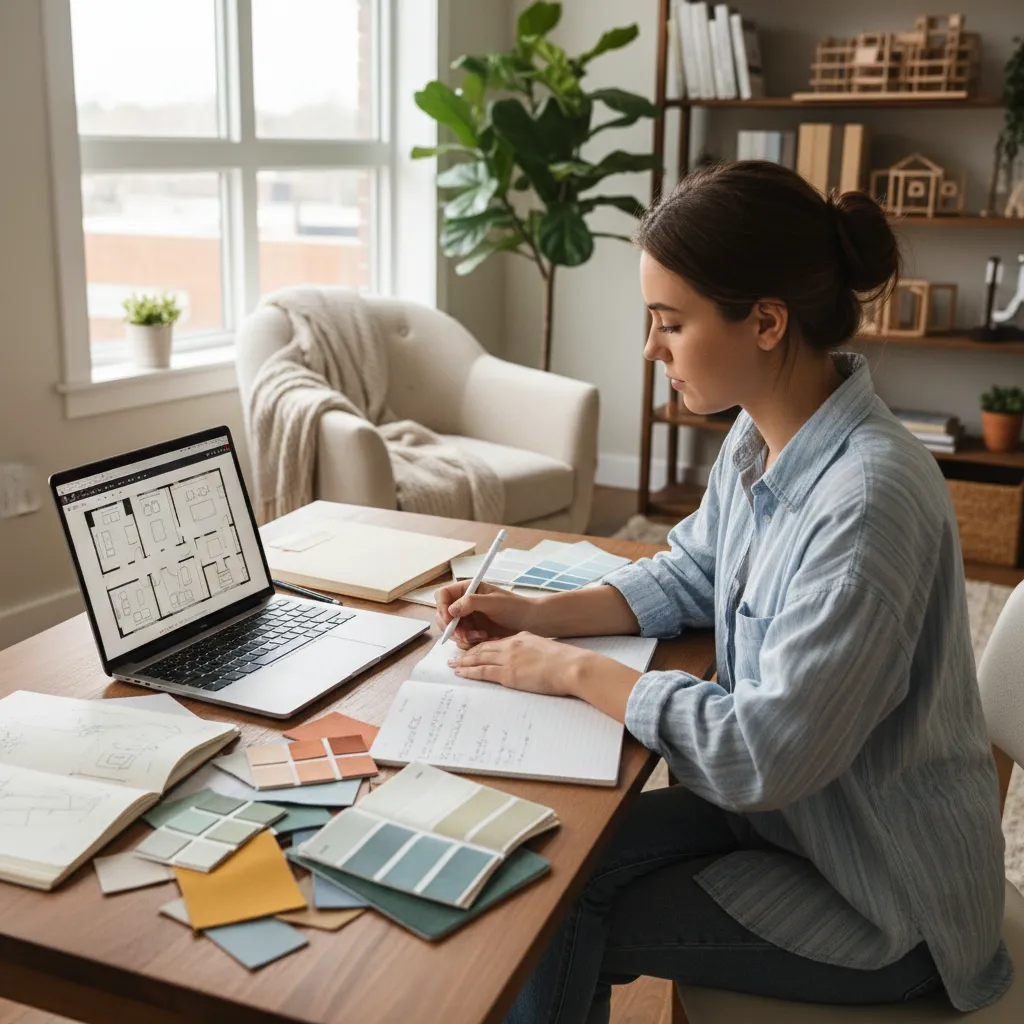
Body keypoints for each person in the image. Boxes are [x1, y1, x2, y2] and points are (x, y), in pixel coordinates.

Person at [435, 161, 1012, 1022]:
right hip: (791, 825)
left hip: (884, 897)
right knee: (546, 864)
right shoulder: (761, 433)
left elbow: (760, 754)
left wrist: (570, 670)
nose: (650, 349)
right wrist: (540, 615)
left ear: (767, 322)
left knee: (557, 914)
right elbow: (694, 570)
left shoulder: (866, 505)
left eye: (670, 323)